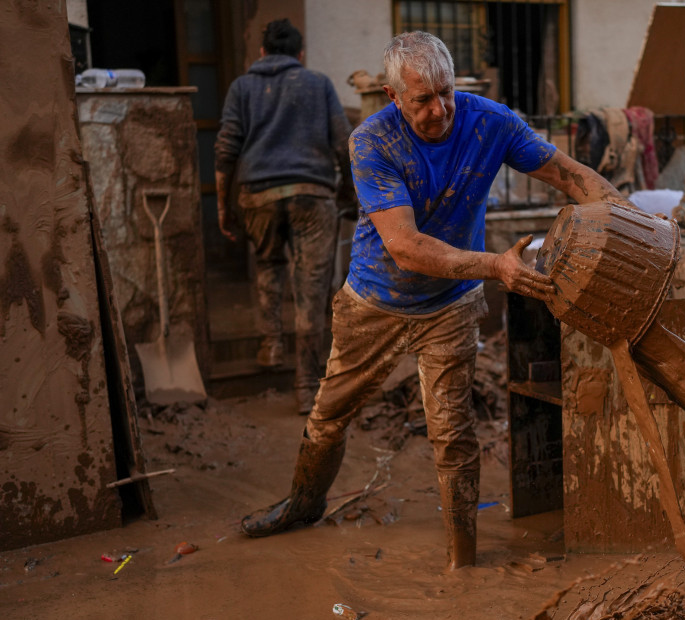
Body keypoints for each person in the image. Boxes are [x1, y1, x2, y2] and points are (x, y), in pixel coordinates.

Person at [239, 32, 634, 571]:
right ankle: (303, 503)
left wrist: (632, 223)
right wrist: (496, 266)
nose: (439, 109)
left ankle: (461, 561)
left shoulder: (489, 121)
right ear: (393, 96)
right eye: (422, 100)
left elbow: (568, 175)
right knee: (329, 417)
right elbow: (405, 247)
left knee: (452, 434)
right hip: (373, 300)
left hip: (451, 305)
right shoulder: (371, 142)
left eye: (445, 92)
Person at [215, 19, 353, 415]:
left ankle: (271, 342)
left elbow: (225, 151)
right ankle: (307, 386)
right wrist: (346, 194)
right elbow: (344, 143)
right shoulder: (319, 83)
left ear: (262, 54)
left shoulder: (242, 87)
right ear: (300, 55)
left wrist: (225, 207)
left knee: (268, 264)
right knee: (311, 290)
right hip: (312, 196)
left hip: (258, 195)